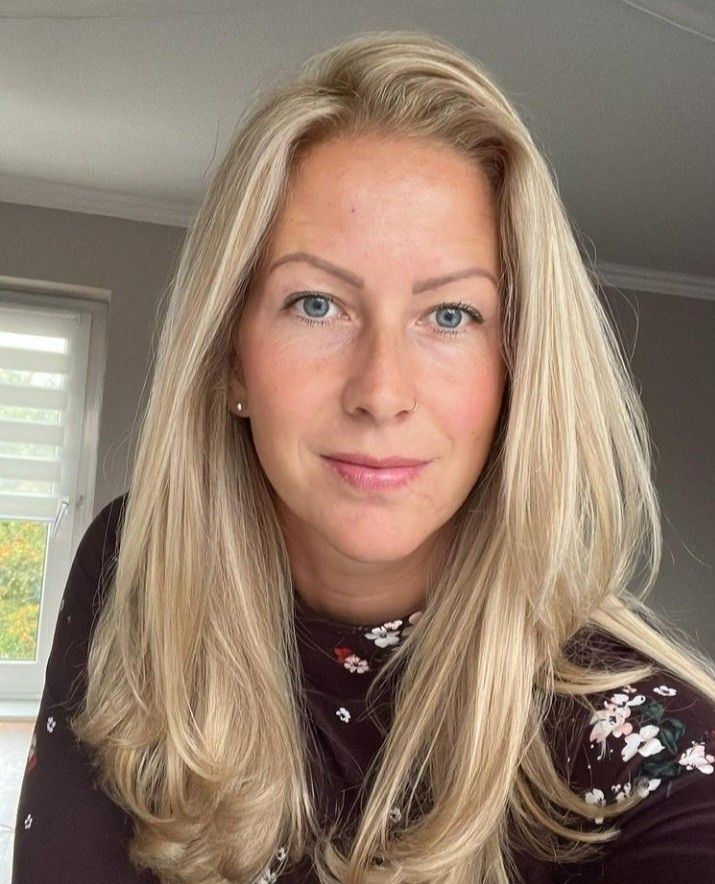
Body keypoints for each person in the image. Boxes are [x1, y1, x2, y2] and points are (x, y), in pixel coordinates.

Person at [13, 29, 715, 884]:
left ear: (517, 371)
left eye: (450, 315)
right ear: (232, 359)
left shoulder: (649, 753)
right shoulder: (141, 558)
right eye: (317, 303)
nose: (381, 391)